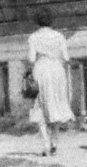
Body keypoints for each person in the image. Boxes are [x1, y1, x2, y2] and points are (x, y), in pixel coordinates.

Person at [25, 12, 73, 156]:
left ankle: (46, 141)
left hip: (41, 69)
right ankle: (55, 140)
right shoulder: (59, 36)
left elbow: (32, 59)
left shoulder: (33, 37)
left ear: (37, 22)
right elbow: (66, 57)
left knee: (40, 104)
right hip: (57, 69)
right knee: (57, 102)